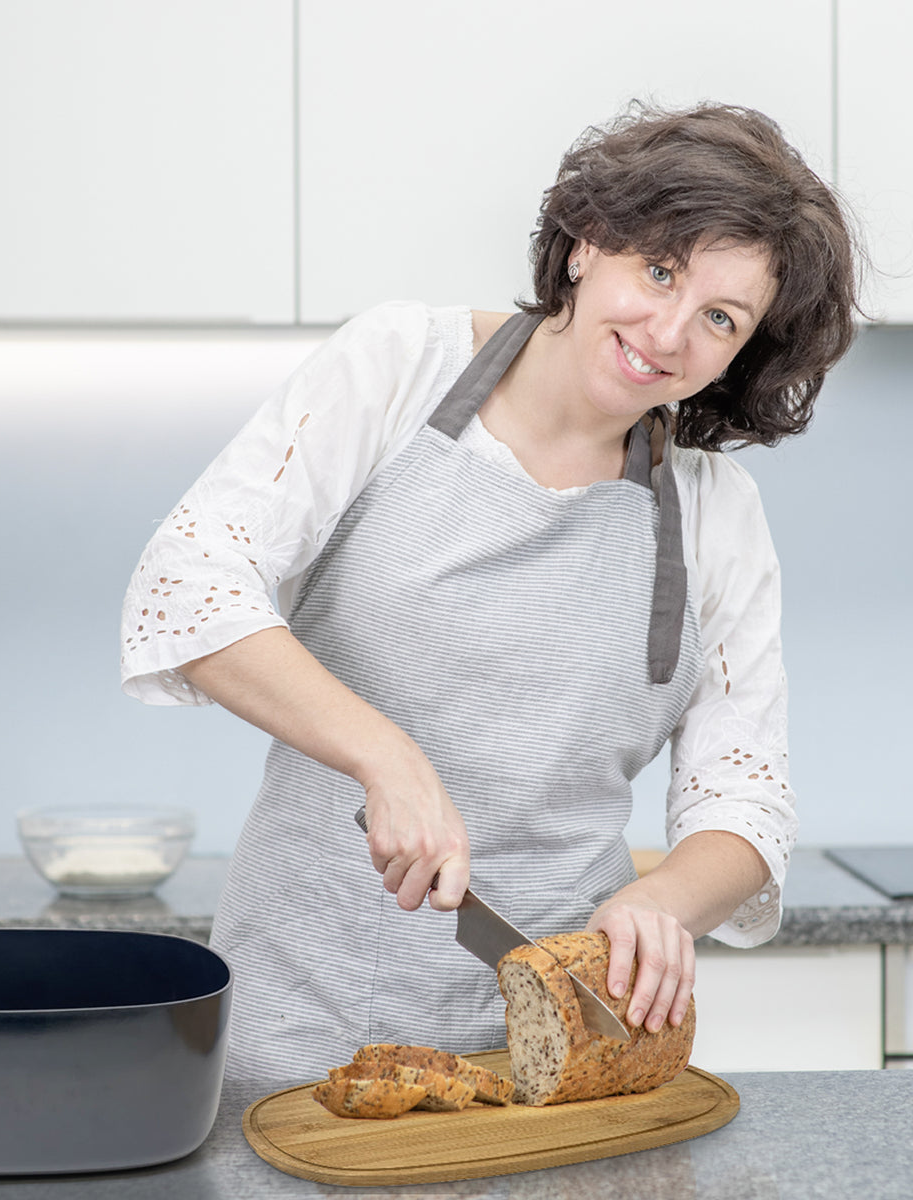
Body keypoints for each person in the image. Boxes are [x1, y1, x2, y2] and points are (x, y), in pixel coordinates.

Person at [120, 102, 860, 1089]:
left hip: (558, 1062)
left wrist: (666, 904)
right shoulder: (397, 368)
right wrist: (383, 755)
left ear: (740, 354)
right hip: (297, 1032)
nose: (669, 332)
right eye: (660, 270)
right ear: (590, 240)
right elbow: (190, 584)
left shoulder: (717, 515)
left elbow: (744, 796)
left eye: (720, 319)